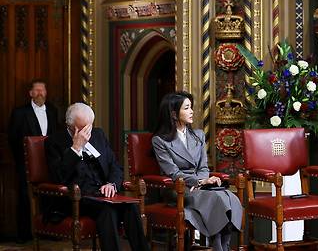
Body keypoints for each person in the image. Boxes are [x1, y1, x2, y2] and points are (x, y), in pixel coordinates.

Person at [45, 102, 149, 250]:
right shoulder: (54, 142)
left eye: (90, 126)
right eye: (83, 129)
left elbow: (115, 166)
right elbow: (59, 177)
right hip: (77, 198)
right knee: (107, 210)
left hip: (103, 194)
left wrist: (112, 184)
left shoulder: (98, 134)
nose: (88, 132)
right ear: (70, 126)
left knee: (130, 206)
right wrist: (76, 147)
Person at [151, 92, 241, 251]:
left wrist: (204, 182)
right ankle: (219, 246)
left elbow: (204, 167)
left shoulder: (198, 135)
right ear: (174, 113)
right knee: (215, 197)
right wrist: (198, 182)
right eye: (187, 108)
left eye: (191, 107)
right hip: (177, 188)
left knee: (228, 196)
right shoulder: (160, 140)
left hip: (201, 186)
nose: (192, 111)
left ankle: (222, 245)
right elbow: (172, 172)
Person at [8, 79, 59, 243]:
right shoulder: (19, 112)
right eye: (36, 90)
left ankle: (49, 232)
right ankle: (24, 235)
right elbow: (13, 139)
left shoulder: (52, 111)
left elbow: (55, 137)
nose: (40, 93)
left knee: (49, 196)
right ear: (30, 93)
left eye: (42, 90)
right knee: (24, 197)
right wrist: (22, 161)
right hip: (26, 164)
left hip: (49, 163)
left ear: (46, 93)